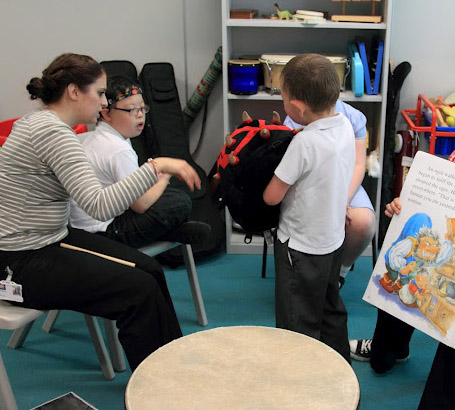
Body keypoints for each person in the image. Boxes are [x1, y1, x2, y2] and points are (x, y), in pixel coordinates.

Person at [0, 53, 202, 371]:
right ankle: (157, 388)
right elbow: (100, 205)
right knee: (139, 292)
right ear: (74, 92)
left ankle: (170, 369)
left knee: (150, 270)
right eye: (99, 92)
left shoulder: (40, 123)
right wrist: (158, 166)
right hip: (18, 264)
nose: (103, 100)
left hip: (48, 240)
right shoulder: (53, 134)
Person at [263, 53, 356, 362]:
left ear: (297, 108)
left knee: (296, 319)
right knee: (330, 307)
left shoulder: (303, 144)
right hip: (332, 242)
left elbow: (271, 197)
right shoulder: (343, 125)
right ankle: (340, 371)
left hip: (299, 249)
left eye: (284, 98)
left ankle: (300, 385)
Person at [69, 75, 209, 248]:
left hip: (89, 225)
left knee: (166, 196)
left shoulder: (101, 136)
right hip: (104, 232)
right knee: (179, 202)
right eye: (131, 110)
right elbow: (140, 205)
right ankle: (169, 232)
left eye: (143, 109)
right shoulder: (117, 149)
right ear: (106, 113)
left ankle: (169, 231)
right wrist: (164, 177)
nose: (140, 115)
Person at [358, 197, 455, 409]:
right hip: (410, 269)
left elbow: (442, 252)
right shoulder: (413, 244)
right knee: (381, 360)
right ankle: (394, 349)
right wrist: (405, 206)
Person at [284, 100, 376, 288]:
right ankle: (308, 274)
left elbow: (358, 164)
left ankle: (339, 274)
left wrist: (343, 201)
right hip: (308, 183)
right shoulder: (293, 119)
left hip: (345, 181)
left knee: (363, 222)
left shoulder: (353, 117)